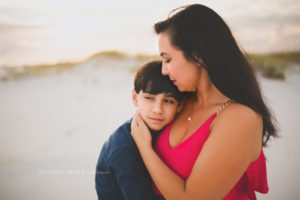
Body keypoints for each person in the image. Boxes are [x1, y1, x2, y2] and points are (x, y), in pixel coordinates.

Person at [131, 4, 278, 200]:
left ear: (197, 56)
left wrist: (145, 148)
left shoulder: (240, 118)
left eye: (168, 59)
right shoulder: (180, 101)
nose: (164, 71)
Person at [95, 61, 185, 200]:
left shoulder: (170, 131)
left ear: (179, 106)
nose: (158, 109)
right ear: (135, 98)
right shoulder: (123, 147)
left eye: (168, 101)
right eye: (149, 98)